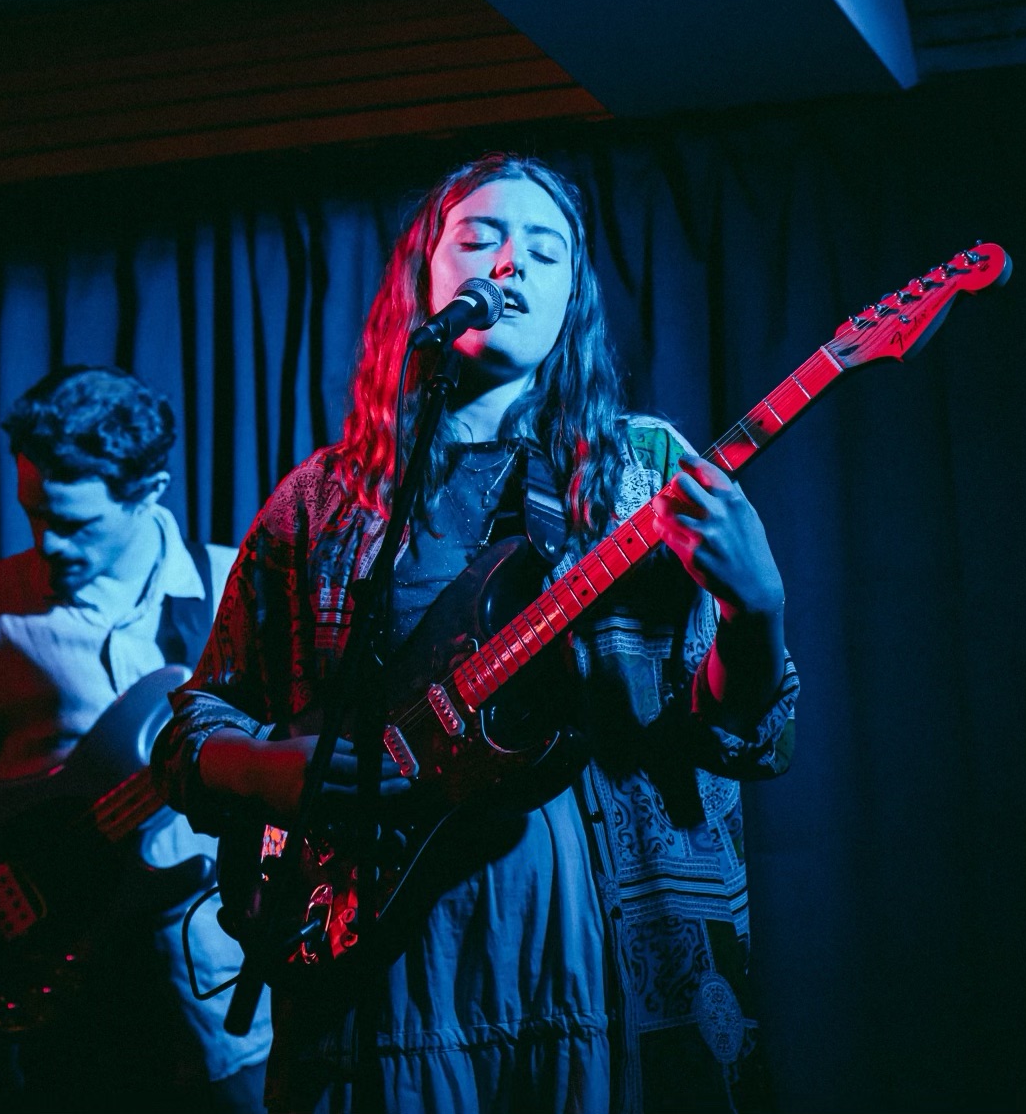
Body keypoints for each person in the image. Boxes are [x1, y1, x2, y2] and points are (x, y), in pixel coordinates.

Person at [159, 154, 797, 1113]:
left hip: (594, 952)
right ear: (426, 276)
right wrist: (263, 769)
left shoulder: (646, 471)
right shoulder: (322, 501)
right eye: (480, 238)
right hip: (378, 973)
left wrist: (759, 610)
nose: (510, 267)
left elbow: (743, 732)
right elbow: (191, 724)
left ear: (572, 298)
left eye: (546, 252)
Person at [0, 365, 273, 1111]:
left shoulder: (236, 592)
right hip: (57, 1014)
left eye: (74, 523)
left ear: (149, 491)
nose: (47, 542)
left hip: (213, 1003)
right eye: (34, 515)